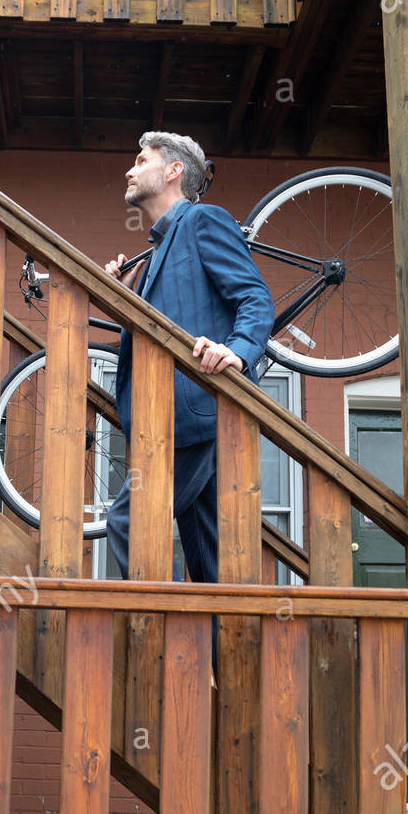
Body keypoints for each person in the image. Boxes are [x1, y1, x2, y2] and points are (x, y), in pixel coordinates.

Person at [103, 131, 274, 605]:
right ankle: (218, 670)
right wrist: (120, 294)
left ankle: (183, 650)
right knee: (212, 567)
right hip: (183, 422)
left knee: (130, 523)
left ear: (174, 171)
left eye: (142, 160)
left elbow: (254, 297)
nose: (130, 169)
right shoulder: (154, 254)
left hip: (196, 412)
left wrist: (238, 351)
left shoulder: (203, 220)